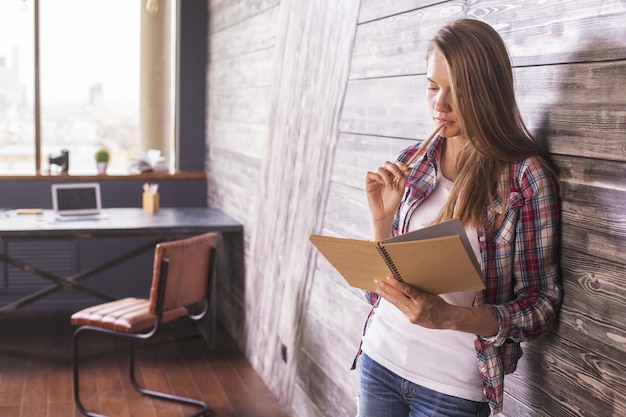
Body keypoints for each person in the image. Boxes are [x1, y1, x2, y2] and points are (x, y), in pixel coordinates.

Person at [355, 19, 562, 416]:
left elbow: (542, 306)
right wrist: (381, 221)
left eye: (457, 91)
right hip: (379, 360)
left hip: (451, 389)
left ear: (488, 93)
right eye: (433, 87)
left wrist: (452, 317)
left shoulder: (524, 178)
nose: (439, 104)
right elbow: (376, 294)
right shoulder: (409, 165)